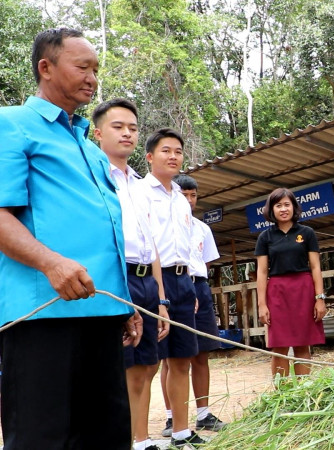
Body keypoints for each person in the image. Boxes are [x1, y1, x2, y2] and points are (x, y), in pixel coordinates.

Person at [0, 28, 140, 449]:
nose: (92, 78)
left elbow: (106, 231)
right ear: (46, 68)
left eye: (96, 69)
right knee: (42, 436)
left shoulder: (90, 147)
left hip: (103, 310)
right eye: (82, 67)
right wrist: (50, 263)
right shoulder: (11, 125)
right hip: (43, 313)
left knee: (107, 432)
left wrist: (125, 300)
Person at [92, 98, 171, 450]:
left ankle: (141, 439)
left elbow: (151, 243)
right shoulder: (92, 175)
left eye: (133, 128)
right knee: (119, 367)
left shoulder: (141, 184)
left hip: (145, 281)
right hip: (115, 277)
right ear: (97, 133)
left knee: (148, 365)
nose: (127, 133)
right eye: (117, 126)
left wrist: (162, 299)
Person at [142, 128, 204, 447]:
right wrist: (160, 295)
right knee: (149, 363)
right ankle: (140, 438)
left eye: (178, 151)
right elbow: (147, 246)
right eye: (166, 151)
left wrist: (190, 287)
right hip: (152, 279)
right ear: (150, 156)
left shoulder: (181, 199)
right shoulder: (140, 192)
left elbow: (187, 248)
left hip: (183, 281)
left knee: (182, 359)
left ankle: (181, 432)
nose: (173, 156)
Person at [160, 174, 226, 433]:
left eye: (193, 195)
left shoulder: (202, 228)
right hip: (172, 284)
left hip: (198, 285)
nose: (189, 199)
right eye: (184, 194)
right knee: (171, 357)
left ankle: (204, 413)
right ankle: (170, 417)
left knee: (202, 353)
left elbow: (205, 261)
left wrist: (195, 287)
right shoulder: (164, 224)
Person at [255, 188, 327, 380]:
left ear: (294, 207)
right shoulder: (265, 237)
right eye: (278, 205)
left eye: (287, 204)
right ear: (271, 210)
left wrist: (320, 298)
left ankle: (302, 393)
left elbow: (315, 267)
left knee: (303, 344)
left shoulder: (307, 233)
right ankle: (282, 394)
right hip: (277, 292)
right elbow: (262, 272)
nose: (283, 209)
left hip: (303, 290)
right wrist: (262, 304)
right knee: (279, 346)